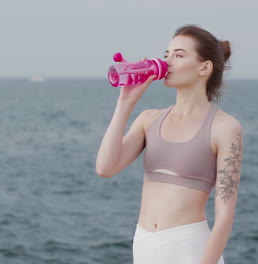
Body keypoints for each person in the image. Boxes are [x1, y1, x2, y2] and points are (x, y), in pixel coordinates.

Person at [95, 24, 243, 264]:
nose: (167, 62)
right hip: (143, 245)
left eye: (179, 55)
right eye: (167, 55)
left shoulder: (225, 127)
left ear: (204, 68)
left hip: (190, 249)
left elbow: (225, 216)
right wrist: (126, 102)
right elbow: (105, 168)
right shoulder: (149, 119)